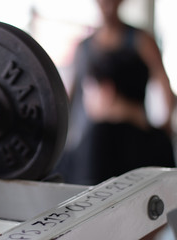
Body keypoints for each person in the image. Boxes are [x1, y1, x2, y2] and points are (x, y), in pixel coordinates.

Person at [55, 0, 176, 185]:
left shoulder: (140, 40)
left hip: (133, 139)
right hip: (96, 142)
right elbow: (67, 101)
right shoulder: (84, 48)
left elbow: (164, 85)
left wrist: (164, 128)